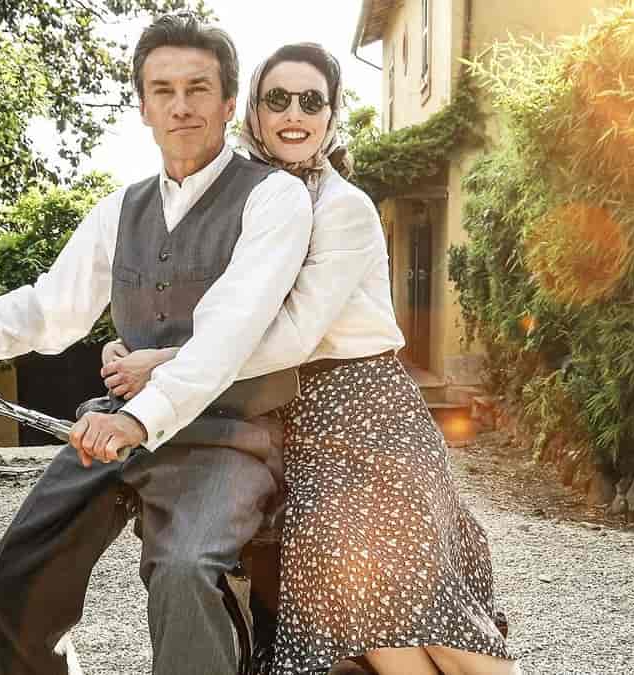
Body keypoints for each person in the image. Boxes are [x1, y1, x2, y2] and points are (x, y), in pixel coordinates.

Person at [0, 12, 315, 675]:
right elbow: (49, 307)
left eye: (198, 88)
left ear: (229, 102)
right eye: (163, 90)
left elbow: (231, 330)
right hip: (113, 426)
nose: (181, 106)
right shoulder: (119, 209)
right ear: (143, 105)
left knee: (187, 575)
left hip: (227, 437)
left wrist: (137, 420)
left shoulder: (274, 199)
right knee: (9, 583)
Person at [99, 43, 521, 675]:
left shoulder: (342, 207)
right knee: (358, 602)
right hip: (299, 420)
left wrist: (161, 362)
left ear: (330, 115)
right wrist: (134, 340)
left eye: (311, 101)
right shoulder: (245, 199)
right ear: (254, 112)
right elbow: (203, 300)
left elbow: (293, 332)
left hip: (368, 410)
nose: (294, 114)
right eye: (278, 99)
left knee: (422, 602)